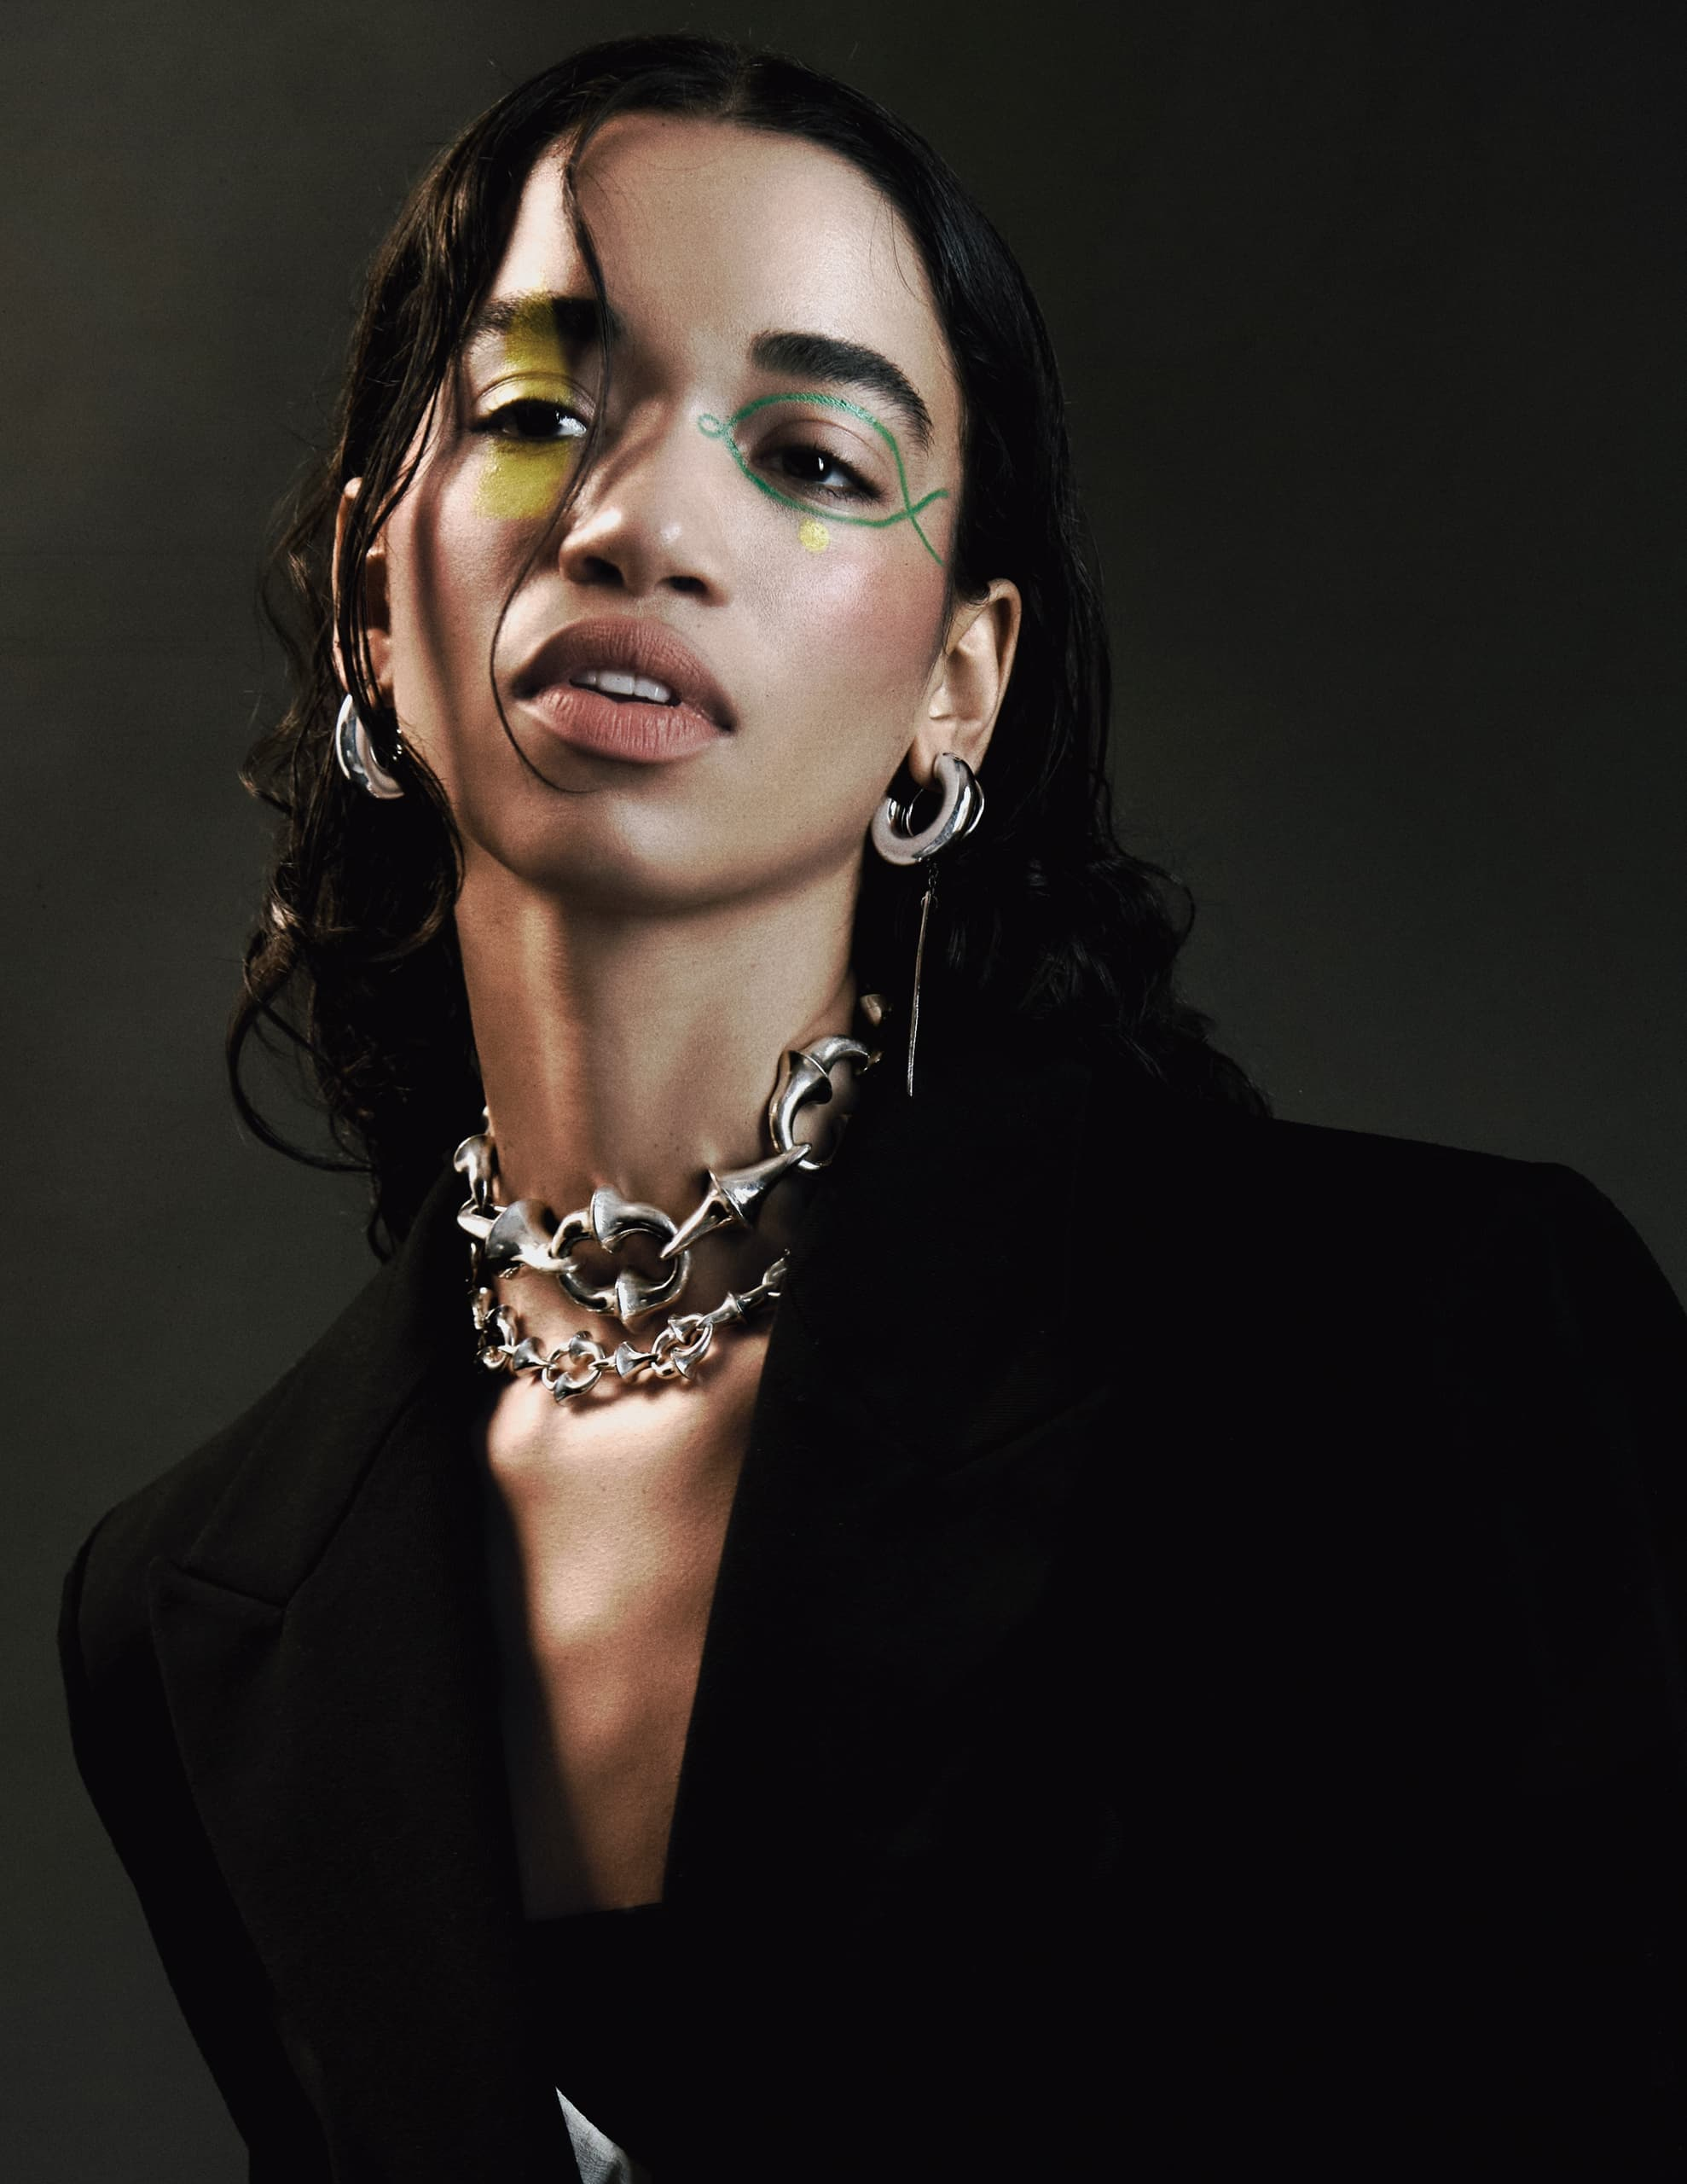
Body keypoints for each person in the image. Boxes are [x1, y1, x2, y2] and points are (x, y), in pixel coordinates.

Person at [58, 32, 1687, 2184]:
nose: (639, 522)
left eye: (814, 455)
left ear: (956, 683)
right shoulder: (196, 1610)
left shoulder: (1433, 1344)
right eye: (539, 410)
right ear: (374, 590)